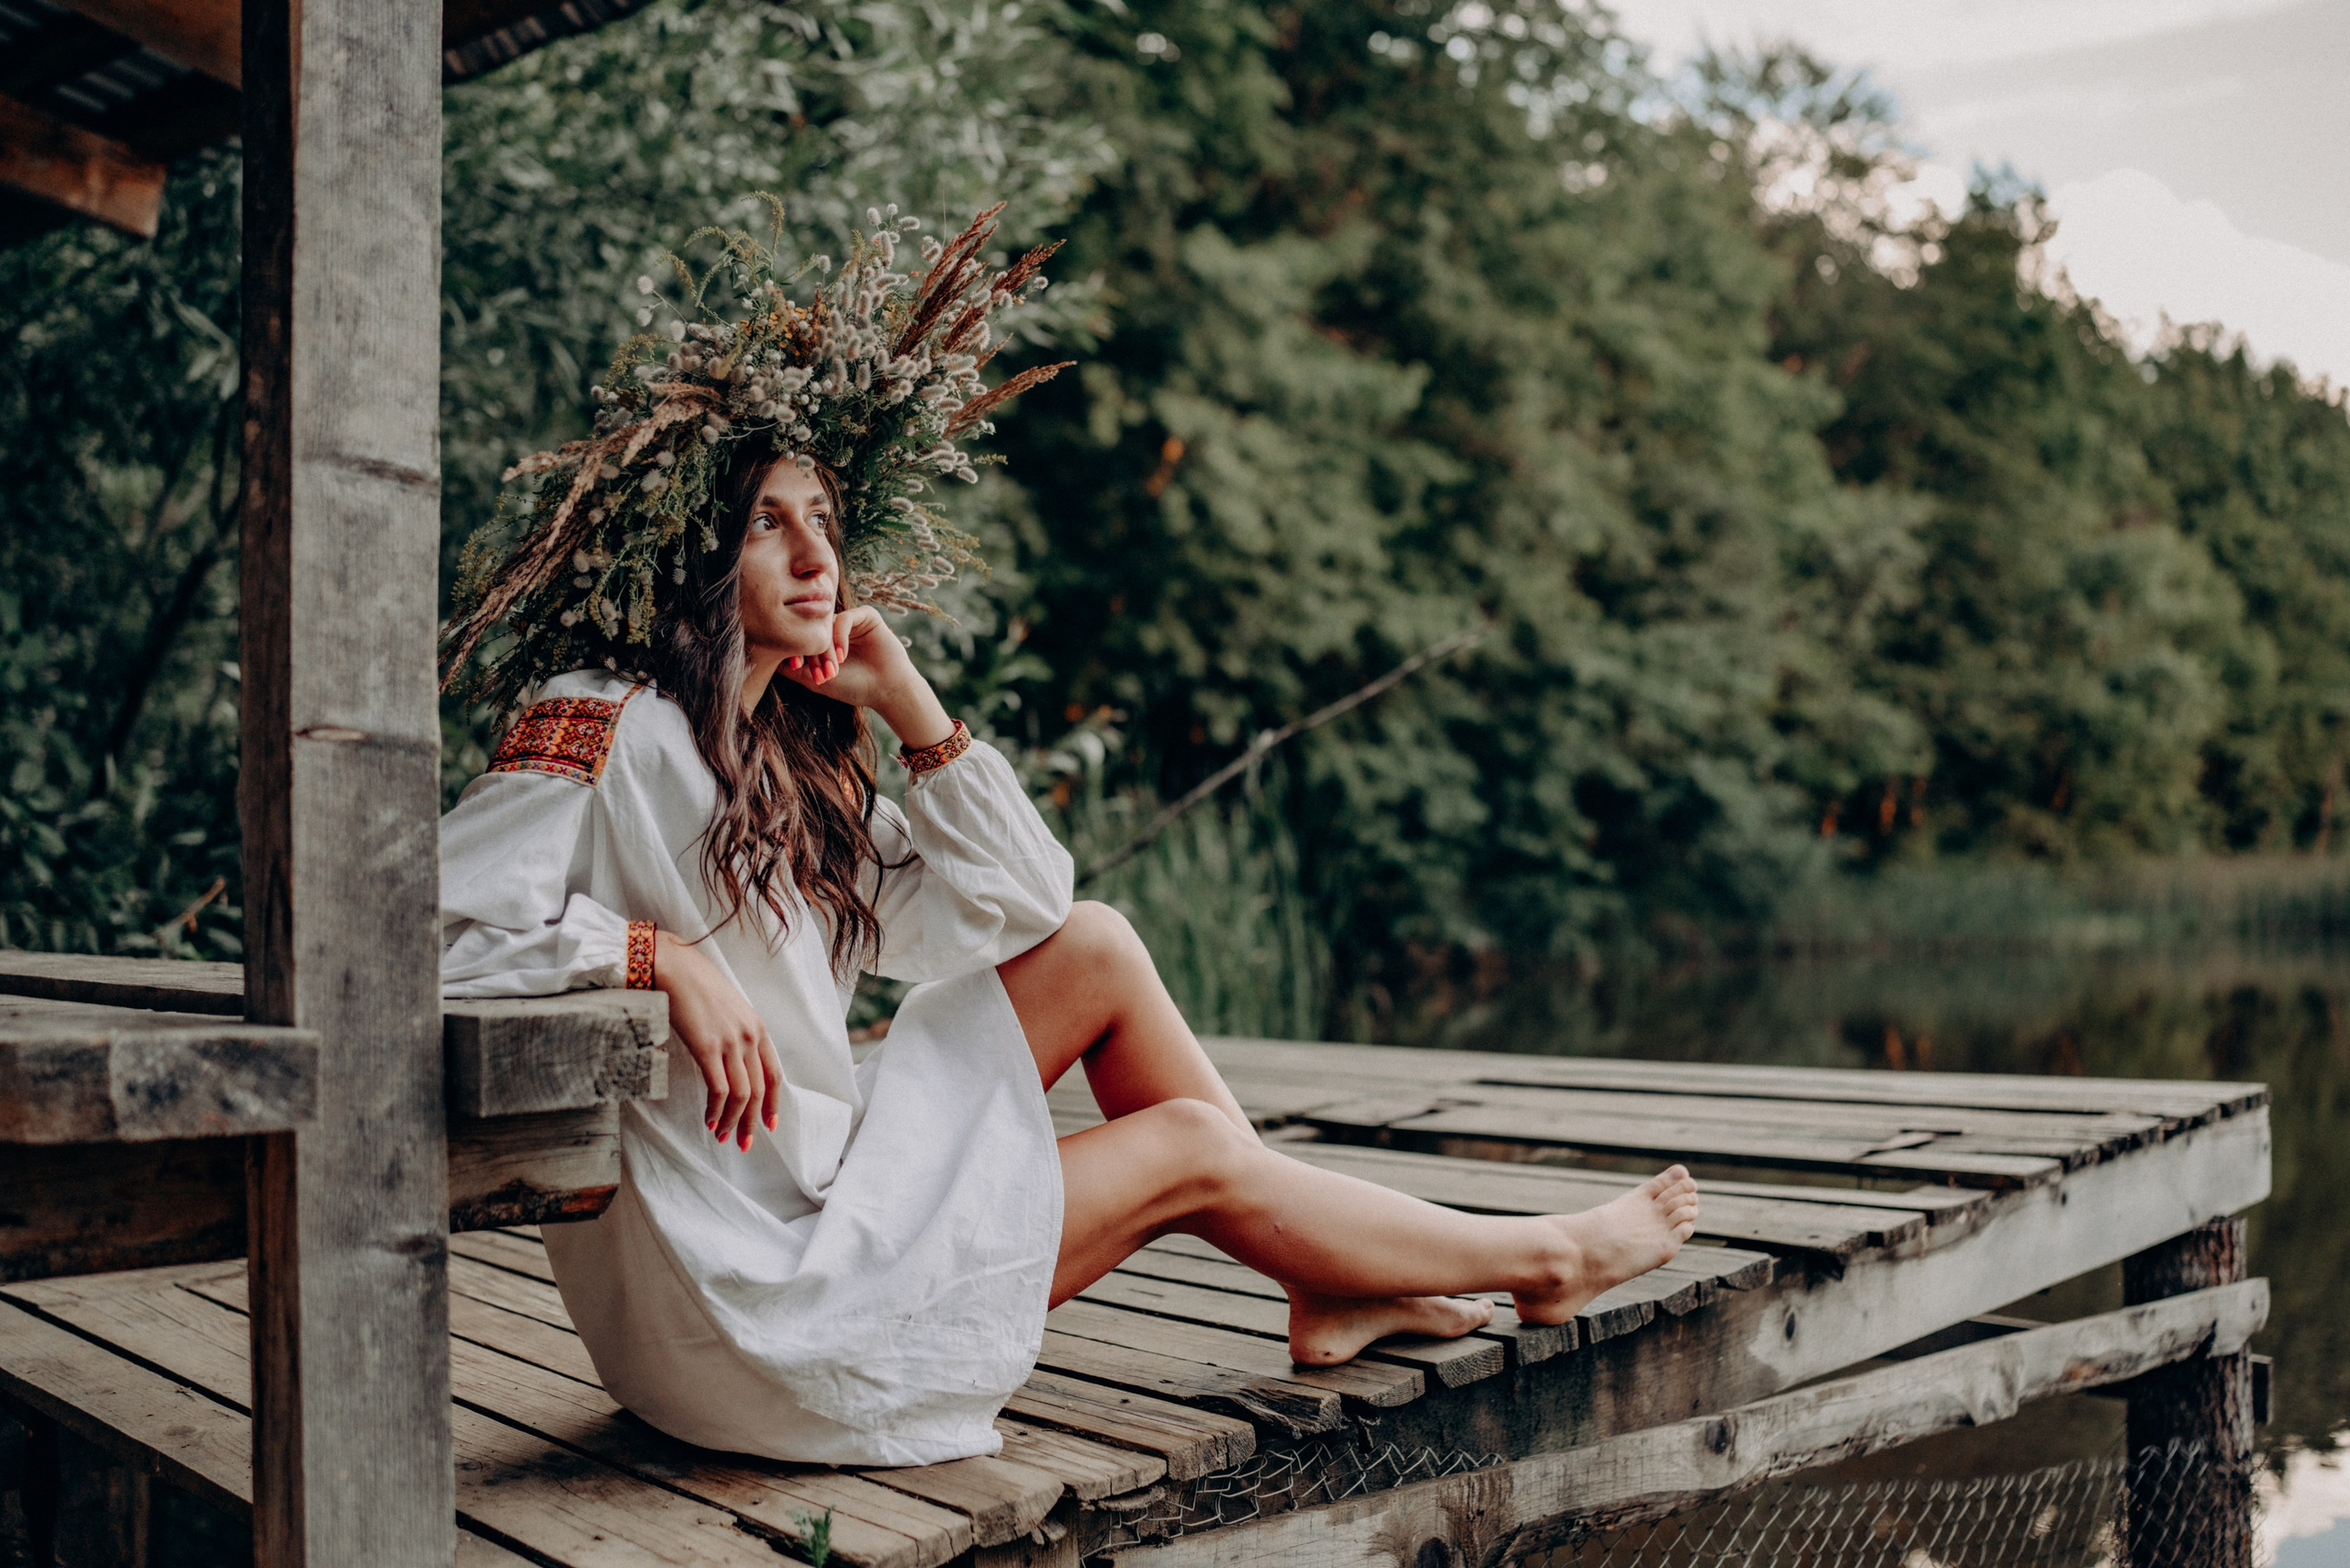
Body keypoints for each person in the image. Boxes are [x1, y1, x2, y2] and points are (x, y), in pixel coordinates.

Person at [436, 205, 1700, 1467]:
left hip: (815, 1205)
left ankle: (1332, 1280)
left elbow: (1030, 903)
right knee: (1194, 1144)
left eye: (826, 518)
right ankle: (1540, 1258)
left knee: (1095, 944)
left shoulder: (791, 768)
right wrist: (659, 959)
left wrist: (909, 702)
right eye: (771, 519)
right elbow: (422, 939)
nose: (817, 552)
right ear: (697, 544)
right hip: (754, 1304)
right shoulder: (602, 721)